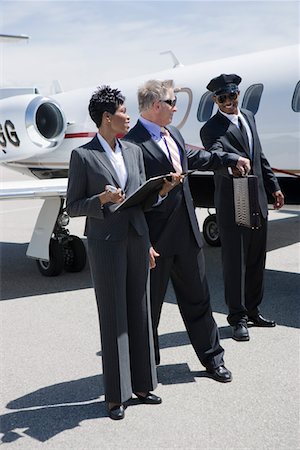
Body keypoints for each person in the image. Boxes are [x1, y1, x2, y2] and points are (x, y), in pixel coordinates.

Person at [124, 79, 251, 382]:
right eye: (171, 102)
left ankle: (212, 359)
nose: (175, 108)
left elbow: (194, 158)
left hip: (187, 235)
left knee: (199, 301)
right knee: (148, 311)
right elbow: (131, 199)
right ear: (156, 106)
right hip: (154, 242)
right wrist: (161, 196)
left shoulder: (174, 133)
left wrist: (229, 160)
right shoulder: (132, 144)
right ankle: (145, 370)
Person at [66, 85, 176, 420]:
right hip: (106, 243)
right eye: (123, 111)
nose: (128, 116)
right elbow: (73, 206)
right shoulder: (83, 156)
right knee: (114, 316)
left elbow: (142, 200)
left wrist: (162, 192)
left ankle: (143, 386)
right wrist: (101, 199)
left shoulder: (132, 151)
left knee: (140, 313)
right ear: (106, 117)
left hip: (137, 239)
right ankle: (116, 396)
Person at [200, 73, 284, 342]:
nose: (228, 102)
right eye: (222, 98)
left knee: (257, 259)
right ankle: (237, 319)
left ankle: (253, 310)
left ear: (239, 94)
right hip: (234, 201)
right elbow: (214, 156)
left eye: (232, 96)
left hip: (257, 198)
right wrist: (233, 158)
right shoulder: (211, 128)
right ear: (215, 100)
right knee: (235, 263)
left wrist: (274, 187)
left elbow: (259, 155)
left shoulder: (249, 116)